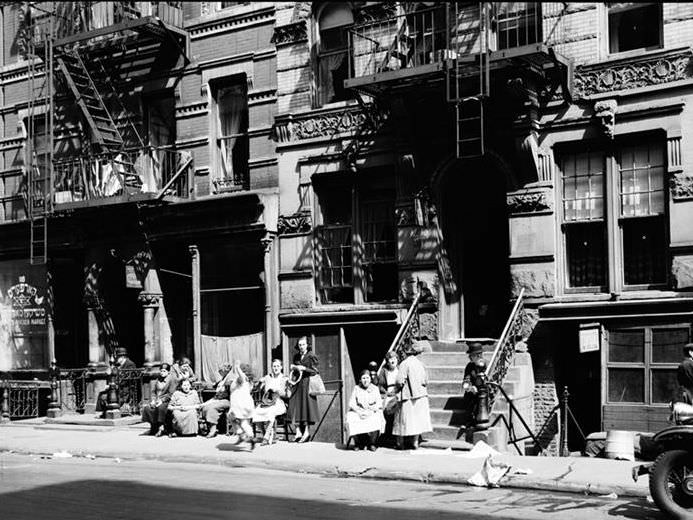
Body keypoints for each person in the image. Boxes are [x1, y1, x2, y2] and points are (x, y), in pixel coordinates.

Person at [393, 341, 432, 450]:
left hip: (408, 395)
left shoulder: (404, 364)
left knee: (403, 420)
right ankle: (415, 442)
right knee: (417, 420)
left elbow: (400, 381)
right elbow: (426, 380)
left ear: (405, 353)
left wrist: (395, 391)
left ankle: (400, 443)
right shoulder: (421, 364)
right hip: (421, 395)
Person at [288, 336, 320, 443]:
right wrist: (294, 368)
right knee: (296, 406)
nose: (301, 347)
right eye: (300, 345)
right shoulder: (296, 356)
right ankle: (298, 432)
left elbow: (315, 371)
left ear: (307, 345)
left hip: (307, 383)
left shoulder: (311, 356)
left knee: (306, 407)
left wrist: (304, 368)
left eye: (303, 344)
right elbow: (295, 370)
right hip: (297, 383)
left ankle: (306, 432)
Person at [252, 359, 290, 445]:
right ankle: (265, 433)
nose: (275, 368)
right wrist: (259, 383)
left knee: (271, 412)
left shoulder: (284, 378)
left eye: (277, 366)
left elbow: (287, 395)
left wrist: (278, 391)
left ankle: (265, 437)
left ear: (281, 367)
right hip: (267, 402)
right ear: (271, 367)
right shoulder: (267, 377)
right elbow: (257, 388)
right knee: (255, 412)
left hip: (279, 402)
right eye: (274, 366)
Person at [346, 370, 385, 451]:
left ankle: (372, 443)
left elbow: (379, 403)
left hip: (371, 411)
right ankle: (357, 443)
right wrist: (359, 412)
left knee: (377, 418)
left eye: (367, 378)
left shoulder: (374, 389)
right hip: (360, 411)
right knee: (351, 418)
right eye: (363, 378)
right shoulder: (356, 388)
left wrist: (371, 411)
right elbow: (351, 403)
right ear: (360, 379)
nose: (365, 380)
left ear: (370, 379)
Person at [96, 347, 137, 418]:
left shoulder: (130, 364)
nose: (116, 359)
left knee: (108, 396)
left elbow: (127, 380)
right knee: (102, 394)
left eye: (118, 357)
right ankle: (103, 412)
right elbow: (114, 376)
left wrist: (115, 385)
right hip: (117, 387)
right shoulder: (118, 365)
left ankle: (108, 413)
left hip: (125, 389)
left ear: (122, 357)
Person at [141, 363, 177, 436]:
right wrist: (153, 400)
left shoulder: (172, 380)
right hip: (157, 400)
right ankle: (153, 427)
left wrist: (162, 401)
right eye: (161, 371)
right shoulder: (158, 379)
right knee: (147, 408)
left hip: (167, 401)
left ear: (168, 372)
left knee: (161, 408)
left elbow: (171, 394)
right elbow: (153, 392)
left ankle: (161, 427)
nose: (162, 373)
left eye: (164, 371)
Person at [228, 360, 256, 450]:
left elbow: (241, 376)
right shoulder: (250, 381)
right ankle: (251, 437)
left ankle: (241, 434)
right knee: (244, 423)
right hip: (247, 404)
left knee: (230, 417)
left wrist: (236, 367)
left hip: (239, 404)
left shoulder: (241, 378)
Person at [201, 363, 233, 438]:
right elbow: (215, 386)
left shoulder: (230, 378)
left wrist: (216, 399)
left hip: (228, 400)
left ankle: (213, 429)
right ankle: (209, 426)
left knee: (212, 407)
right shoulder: (223, 378)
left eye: (220, 370)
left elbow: (227, 392)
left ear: (226, 370)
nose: (219, 372)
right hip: (220, 399)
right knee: (205, 406)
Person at [377, 351, 400, 442]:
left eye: (394, 358)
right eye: (390, 359)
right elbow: (380, 385)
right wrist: (385, 392)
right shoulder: (384, 371)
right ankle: (388, 436)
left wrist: (396, 391)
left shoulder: (400, 369)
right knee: (386, 411)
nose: (393, 360)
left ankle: (395, 436)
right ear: (387, 361)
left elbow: (402, 383)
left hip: (397, 393)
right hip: (387, 394)